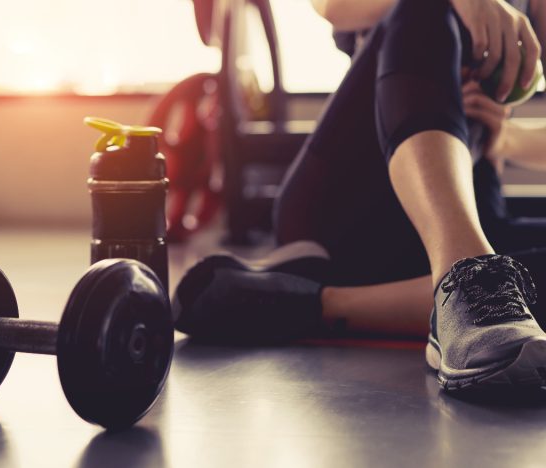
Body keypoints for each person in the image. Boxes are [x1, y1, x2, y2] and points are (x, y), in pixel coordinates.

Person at [173, 0, 546, 391]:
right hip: (350, 211)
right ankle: (467, 273)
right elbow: (330, 5)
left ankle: (318, 303)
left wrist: (509, 140)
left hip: (474, 223)